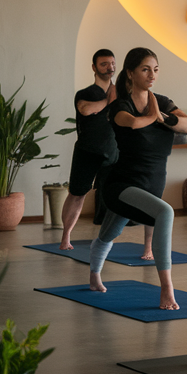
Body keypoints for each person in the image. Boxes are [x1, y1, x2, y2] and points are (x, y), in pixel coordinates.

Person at [87, 48, 187, 311]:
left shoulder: (164, 102)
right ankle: (167, 290)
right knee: (165, 213)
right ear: (131, 73)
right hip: (121, 184)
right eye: (146, 69)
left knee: (110, 232)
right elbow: (133, 123)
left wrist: (164, 117)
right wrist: (153, 117)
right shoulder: (118, 106)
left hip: (151, 184)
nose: (152, 75)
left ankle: (93, 274)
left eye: (155, 69)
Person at [60, 49, 121, 250]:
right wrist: (108, 101)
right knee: (77, 194)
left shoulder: (121, 92)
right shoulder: (86, 93)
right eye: (104, 64)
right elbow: (86, 109)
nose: (109, 67)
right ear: (94, 68)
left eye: (112, 63)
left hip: (112, 151)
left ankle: (107, 239)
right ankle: (66, 237)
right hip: (87, 151)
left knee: (113, 195)